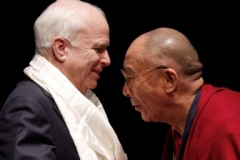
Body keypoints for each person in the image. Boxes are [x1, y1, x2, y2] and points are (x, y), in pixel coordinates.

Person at [0, 0, 127, 160]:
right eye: (98, 49)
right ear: (61, 48)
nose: (107, 60)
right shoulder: (27, 105)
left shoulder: (77, 98)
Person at [121, 27, 240, 160]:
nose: (125, 91)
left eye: (131, 78)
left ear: (169, 80)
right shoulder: (179, 129)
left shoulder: (227, 127)